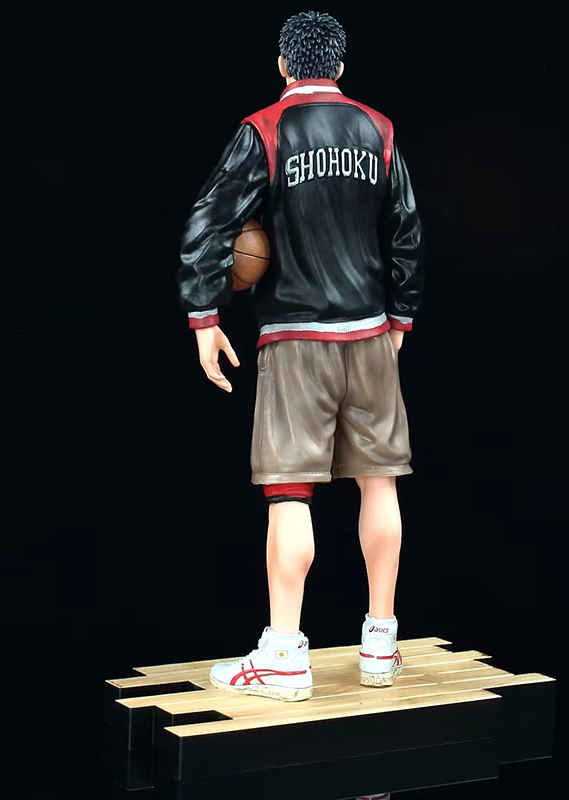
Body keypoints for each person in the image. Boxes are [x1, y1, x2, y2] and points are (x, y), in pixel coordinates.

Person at [176, 10, 425, 701]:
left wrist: (204, 316)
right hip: (369, 334)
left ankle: (285, 656)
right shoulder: (378, 130)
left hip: (294, 340)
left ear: (283, 65)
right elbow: (407, 231)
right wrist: (400, 319)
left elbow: (209, 223)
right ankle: (381, 643)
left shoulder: (264, 130)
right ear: (340, 67)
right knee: (380, 483)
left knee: (290, 495)